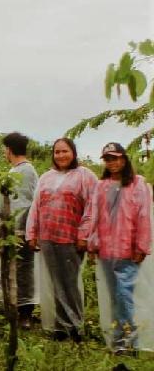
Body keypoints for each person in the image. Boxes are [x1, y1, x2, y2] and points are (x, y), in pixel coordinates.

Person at [79, 143, 151, 353]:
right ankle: (119, 341)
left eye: (115, 158)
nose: (112, 162)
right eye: (108, 159)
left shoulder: (139, 185)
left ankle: (129, 343)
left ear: (124, 159)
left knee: (125, 297)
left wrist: (141, 247)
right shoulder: (101, 186)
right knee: (114, 297)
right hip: (106, 252)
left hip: (128, 252)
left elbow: (144, 218)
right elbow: (94, 217)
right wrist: (91, 244)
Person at [26, 137, 95, 342]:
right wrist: (32, 233)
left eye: (65, 151)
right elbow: (36, 206)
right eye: (57, 152)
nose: (61, 155)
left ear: (73, 152)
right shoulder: (46, 177)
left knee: (69, 284)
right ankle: (60, 327)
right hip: (47, 237)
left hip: (70, 239)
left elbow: (93, 208)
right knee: (54, 283)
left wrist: (84, 235)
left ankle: (75, 327)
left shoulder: (85, 176)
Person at [1, 131, 39, 327]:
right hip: (11, 229)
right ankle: (16, 308)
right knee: (14, 270)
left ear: (9, 150)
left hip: (21, 229)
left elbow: (27, 203)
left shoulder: (26, 171)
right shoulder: (14, 171)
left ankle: (26, 312)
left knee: (24, 270)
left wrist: (23, 229)